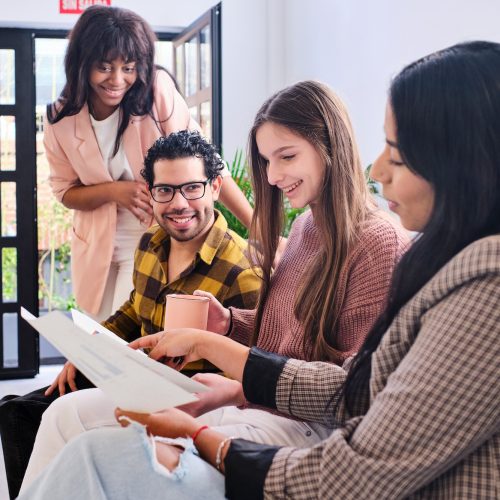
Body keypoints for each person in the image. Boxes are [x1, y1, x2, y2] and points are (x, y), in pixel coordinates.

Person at [18, 41, 500, 500]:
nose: (270, 176)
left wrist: (215, 404)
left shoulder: (397, 251)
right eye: (266, 161)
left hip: (293, 418)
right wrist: (227, 326)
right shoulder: (307, 228)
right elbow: (302, 345)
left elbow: (356, 410)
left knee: (97, 457)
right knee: (65, 417)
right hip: (258, 398)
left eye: (285, 157)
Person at [0, 130, 261, 500]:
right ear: (150, 193)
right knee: (15, 411)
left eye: (192, 188)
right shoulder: (151, 244)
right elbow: (132, 310)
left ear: (215, 187)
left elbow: (253, 364)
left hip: (190, 403)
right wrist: (86, 350)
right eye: (165, 190)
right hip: (134, 379)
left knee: (34, 416)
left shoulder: (244, 269)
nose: (179, 203)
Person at [44, 5, 253, 321]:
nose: (117, 79)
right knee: (98, 333)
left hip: (151, 236)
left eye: (128, 67)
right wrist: (116, 191)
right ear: (81, 63)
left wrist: (257, 226)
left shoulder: (155, 91)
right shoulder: (59, 118)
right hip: (96, 244)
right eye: (104, 67)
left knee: (127, 335)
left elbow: (208, 161)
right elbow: (65, 192)